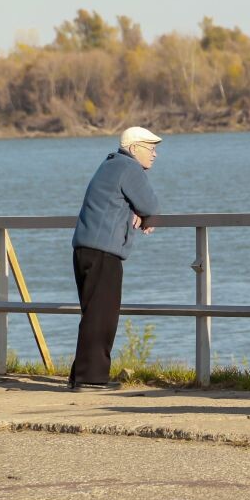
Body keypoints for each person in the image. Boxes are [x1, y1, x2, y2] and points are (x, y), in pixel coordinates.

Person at [68, 126, 162, 391]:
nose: (155, 154)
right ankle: (92, 379)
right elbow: (151, 204)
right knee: (102, 316)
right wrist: (144, 213)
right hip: (104, 251)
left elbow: (123, 201)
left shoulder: (109, 164)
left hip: (84, 248)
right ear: (133, 149)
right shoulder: (129, 168)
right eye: (150, 148)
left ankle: (80, 376)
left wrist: (135, 210)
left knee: (92, 314)